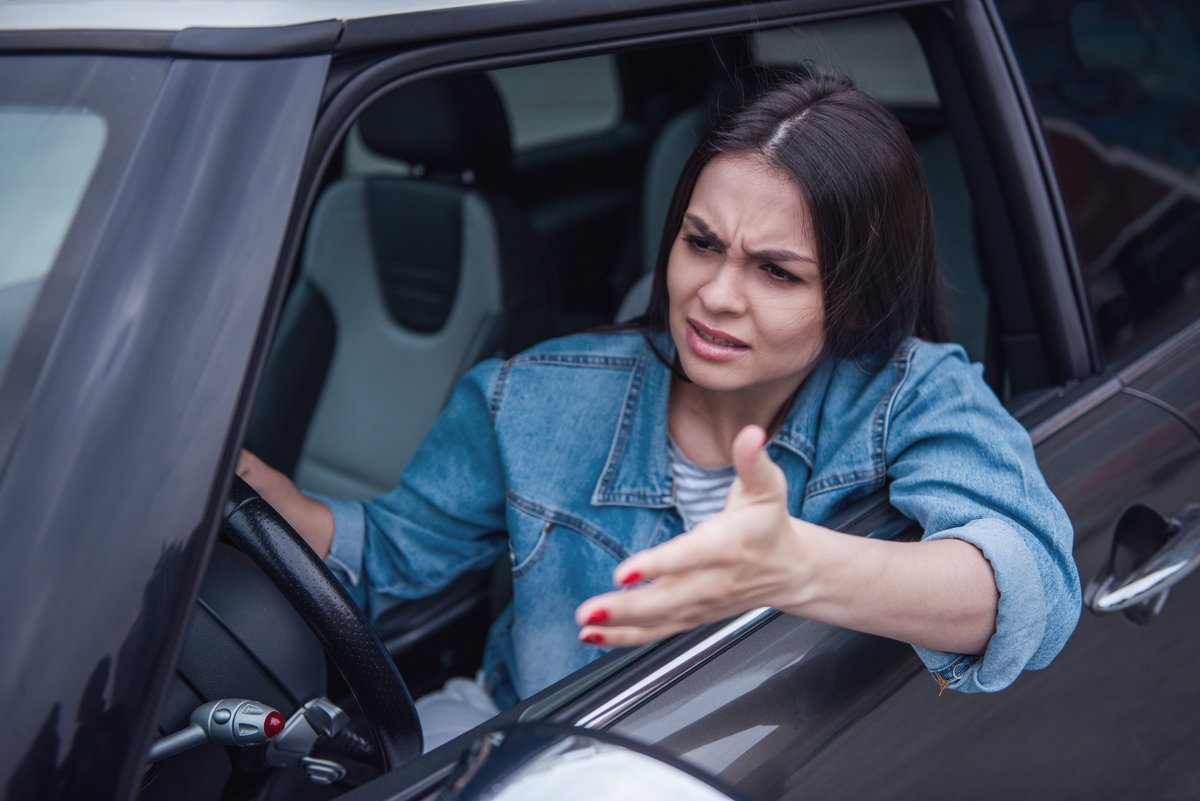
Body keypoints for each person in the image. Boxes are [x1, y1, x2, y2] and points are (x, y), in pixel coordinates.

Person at [238, 73, 1081, 749]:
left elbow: (1033, 589)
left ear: (856, 291)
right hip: (531, 733)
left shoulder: (909, 391)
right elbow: (380, 553)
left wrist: (794, 567)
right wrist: (254, 496)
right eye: (701, 242)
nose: (714, 297)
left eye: (776, 272)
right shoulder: (531, 395)